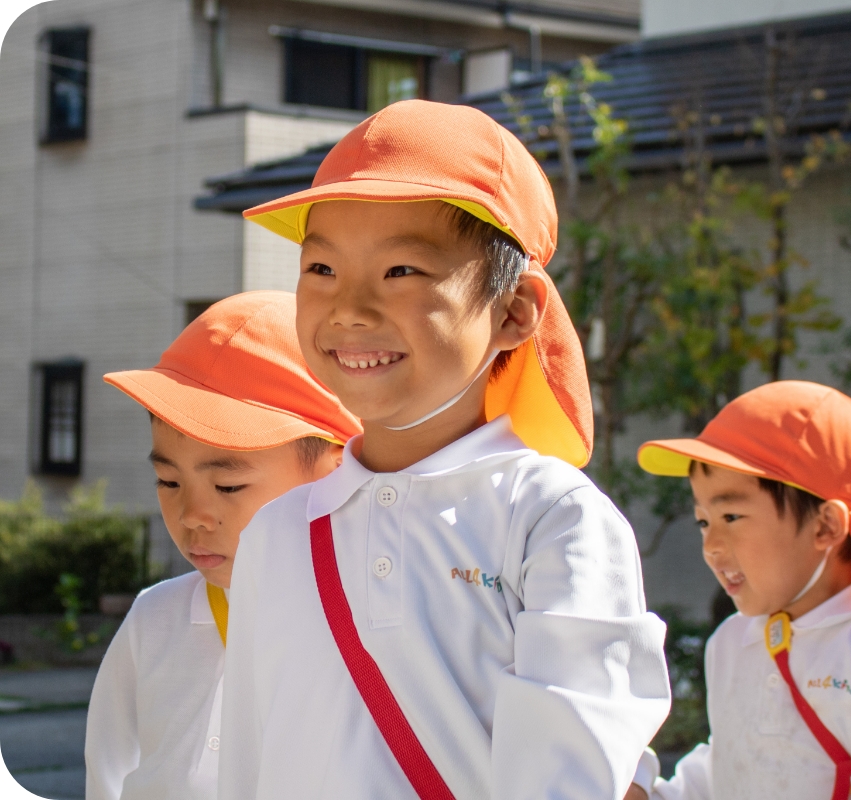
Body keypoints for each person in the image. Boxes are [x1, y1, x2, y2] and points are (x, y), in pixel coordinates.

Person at [216, 100, 671, 800]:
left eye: (401, 270)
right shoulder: (279, 531)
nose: (349, 309)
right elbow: (245, 763)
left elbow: (569, 777)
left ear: (515, 311)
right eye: (321, 269)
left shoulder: (551, 518)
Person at [630, 381, 851, 800]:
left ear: (826, 526)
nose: (712, 546)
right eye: (704, 521)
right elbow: (730, 764)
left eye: (732, 516)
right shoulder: (733, 642)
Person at [84, 291, 361, 800]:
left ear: (336, 471)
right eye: (168, 482)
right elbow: (106, 780)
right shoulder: (156, 621)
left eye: (228, 487)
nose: (193, 515)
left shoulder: (380, 626)